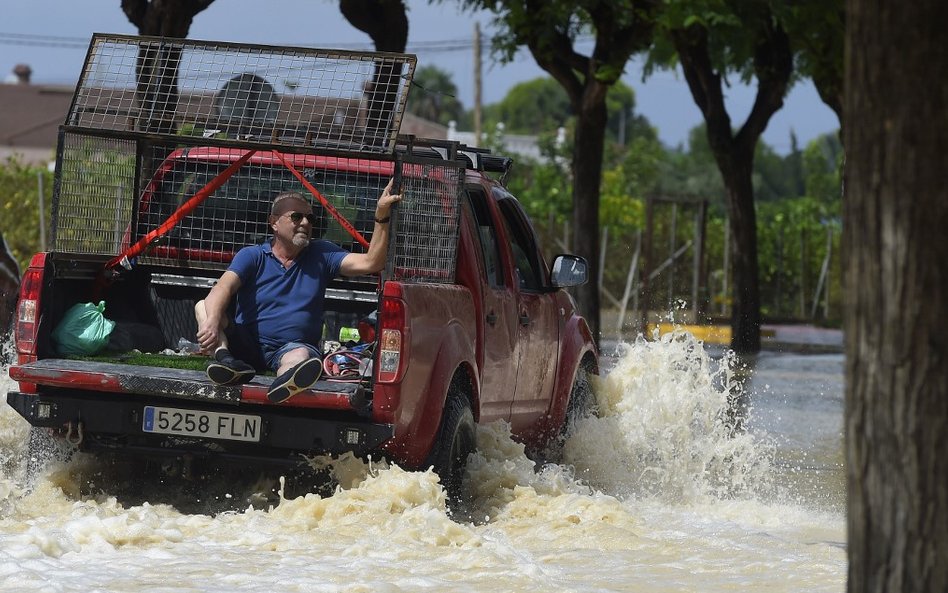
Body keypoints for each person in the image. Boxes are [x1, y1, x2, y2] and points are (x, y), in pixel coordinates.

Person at [194, 179, 402, 403]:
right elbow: (223, 286)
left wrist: (382, 214)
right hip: (245, 342)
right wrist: (213, 321)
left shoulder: (322, 254)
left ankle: (285, 383)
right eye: (296, 216)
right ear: (274, 223)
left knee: (300, 356)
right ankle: (226, 361)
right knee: (203, 307)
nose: (305, 222)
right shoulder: (252, 255)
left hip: (291, 347)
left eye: (310, 218)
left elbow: (372, 262)